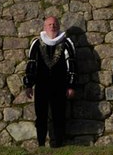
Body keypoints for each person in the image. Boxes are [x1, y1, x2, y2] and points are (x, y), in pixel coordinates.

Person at [23, 16, 77, 147]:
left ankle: (59, 144)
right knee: (41, 116)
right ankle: (41, 143)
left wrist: (71, 85)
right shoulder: (36, 43)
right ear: (44, 27)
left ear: (58, 26)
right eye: (49, 24)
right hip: (41, 85)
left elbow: (72, 65)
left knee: (59, 115)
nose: (52, 27)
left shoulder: (66, 43)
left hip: (60, 86)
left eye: (54, 24)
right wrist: (28, 84)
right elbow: (31, 64)